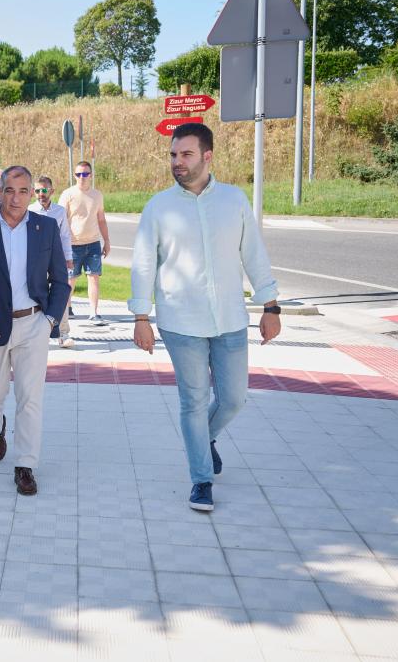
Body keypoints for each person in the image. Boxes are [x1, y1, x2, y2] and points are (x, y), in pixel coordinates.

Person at [129, 123, 281, 512]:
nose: (177, 162)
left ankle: (204, 439)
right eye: (173, 155)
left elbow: (254, 255)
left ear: (207, 156)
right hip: (181, 323)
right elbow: (144, 264)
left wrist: (270, 305)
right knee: (193, 402)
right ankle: (201, 478)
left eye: (186, 155)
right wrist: (141, 316)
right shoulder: (159, 206)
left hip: (230, 319)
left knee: (233, 399)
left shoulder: (234, 200)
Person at [0, 166, 70, 495]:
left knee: (30, 397)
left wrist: (49, 322)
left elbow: (60, 280)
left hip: (34, 322)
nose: (15, 198)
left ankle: (25, 465)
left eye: (23, 191)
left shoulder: (46, 227)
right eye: (9, 190)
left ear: (33, 193)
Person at [58, 161, 110, 323]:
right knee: (70, 279)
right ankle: (67, 309)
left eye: (86, 174)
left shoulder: (97, 195)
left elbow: (101, 219)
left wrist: (107, 241)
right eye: (79, 174)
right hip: (72, 245)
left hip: (93, 243)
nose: (82, 177)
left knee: (94, 277)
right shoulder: (67, 194)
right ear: (74, 176)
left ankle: (94, 312)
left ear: (91, 175)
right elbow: (60, 220)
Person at [28, 175, 75, 347]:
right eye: (38, 190)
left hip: (56, 257)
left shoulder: (60, 211)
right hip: (37, 258)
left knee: (61, 291)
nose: (41, 193)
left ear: (52, 191)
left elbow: (65, 236)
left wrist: (68, 257)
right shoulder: (30, 210)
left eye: (44, 190)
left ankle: (63, 332)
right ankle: (39, 330)